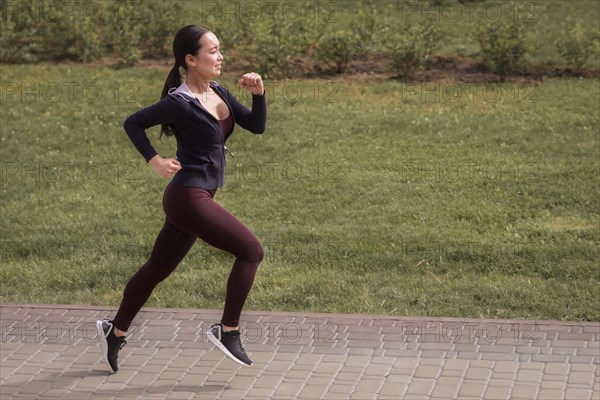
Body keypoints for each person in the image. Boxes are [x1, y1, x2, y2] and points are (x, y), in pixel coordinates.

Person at [96, 25, 267, 372]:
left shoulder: (217, 90)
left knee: (156, 269)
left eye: (220, 49)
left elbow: (256, 125)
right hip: (188, 196)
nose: (221, 57)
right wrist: (155, 160)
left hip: (193, 196)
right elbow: (133, 123)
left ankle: (115, 331)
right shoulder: (179, 102)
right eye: (213, 51)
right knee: (251, 251)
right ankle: (228, 329)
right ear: (191, 59)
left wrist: (260, 95)